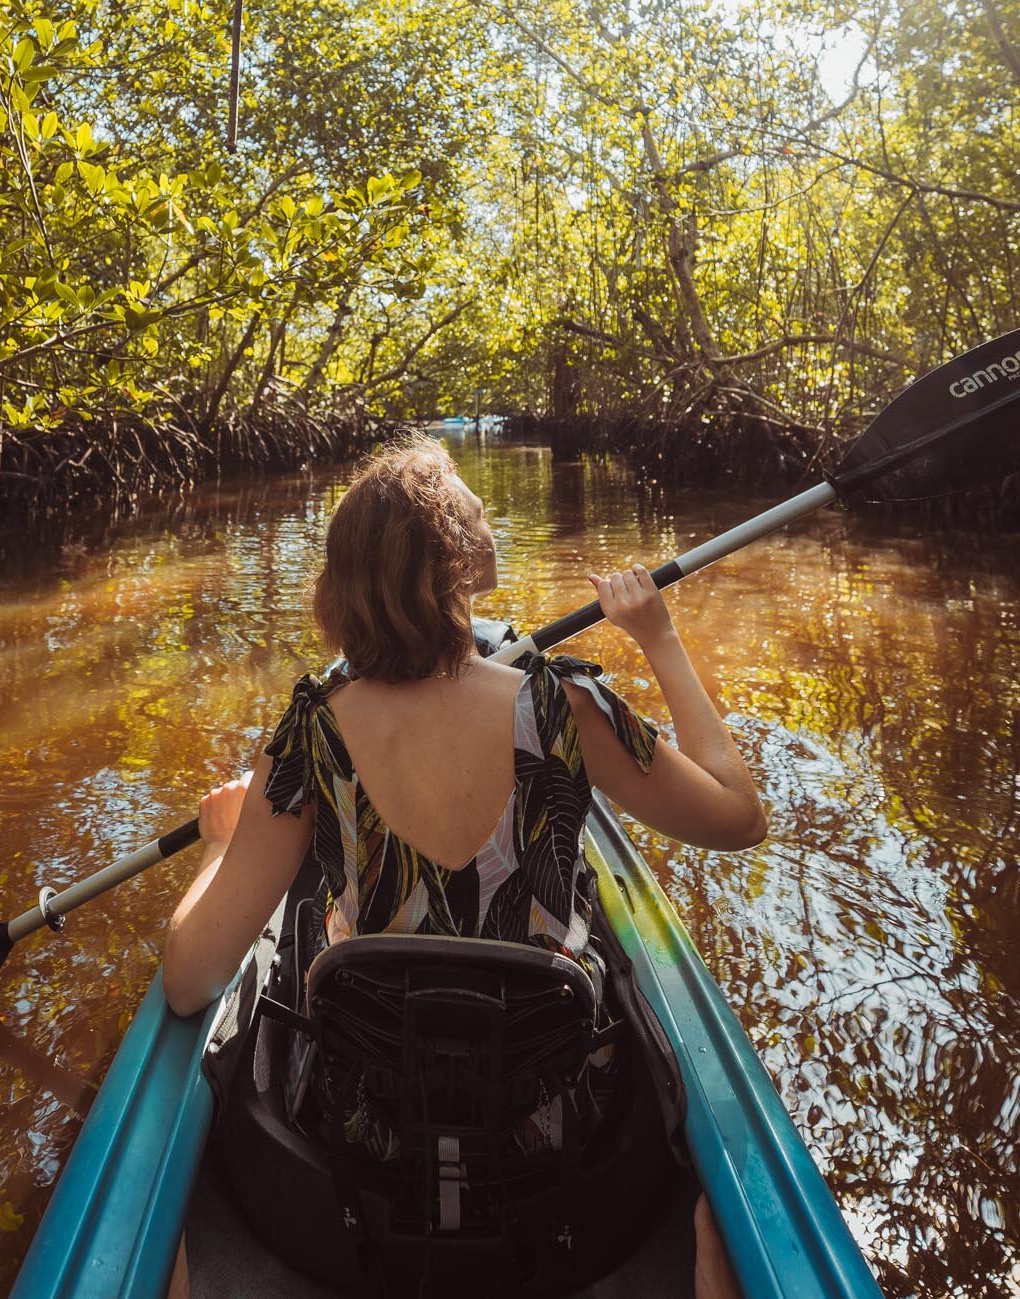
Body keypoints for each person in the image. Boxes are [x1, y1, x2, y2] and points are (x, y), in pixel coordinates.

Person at [163, 436, 762, 1297]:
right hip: (551, 1127)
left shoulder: (309, 734)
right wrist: (660, 637)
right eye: (473, 511)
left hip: (368, 1139)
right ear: (460, 566)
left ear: (342, 587)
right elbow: (740, 816)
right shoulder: (565, 705)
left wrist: (220, 850)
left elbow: (189, 982)